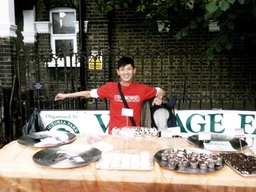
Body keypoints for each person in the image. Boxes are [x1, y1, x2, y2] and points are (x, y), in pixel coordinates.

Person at [55, 56, 166, 134]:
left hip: (133, 134)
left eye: (128, 69)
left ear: (134, 70)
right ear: (118, 72)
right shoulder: (110, 88)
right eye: (122, 70)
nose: (125, 72)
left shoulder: (142, 89)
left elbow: (160, 90)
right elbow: (89, 93)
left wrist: (159, 97)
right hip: (115, 134)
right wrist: (66, 96)